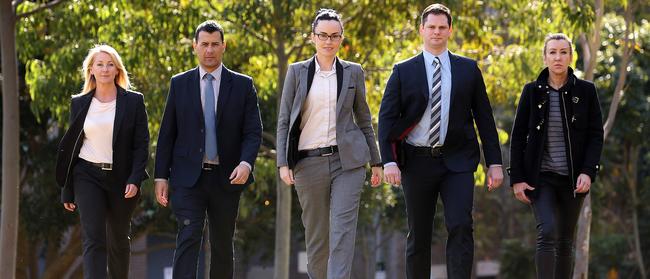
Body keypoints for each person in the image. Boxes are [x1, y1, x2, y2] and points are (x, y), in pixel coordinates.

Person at [377, 3, 504, 278]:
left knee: (460, 225)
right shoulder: (403, 70)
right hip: (416, 162)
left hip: (457, 162)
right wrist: (388, 160)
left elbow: (485, 119)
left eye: (442, 27)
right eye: (431, 27)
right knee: (419, 234)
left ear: (450, 31)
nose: (436, 32)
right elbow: (386, 120)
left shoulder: (468, 69)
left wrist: (494, 162)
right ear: (422, 30)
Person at [276, 8, 383, 279]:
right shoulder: (297, 72)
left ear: (341, 39)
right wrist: (282, 162)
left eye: (334, 36)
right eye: (322, 35)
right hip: (307, 163)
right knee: (318, 238)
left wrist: (376, 160)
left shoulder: (353, 72)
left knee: (342, 232)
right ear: (313, 37)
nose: (328, 41)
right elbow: (284, 120)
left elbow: (364, 118)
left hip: (347, 162)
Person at [154, 20, 262, 279]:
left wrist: (246, 163)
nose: (210, 50)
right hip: (188, 177)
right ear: (195, 46)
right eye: (204, 44)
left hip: (227, 177)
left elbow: (252, 131)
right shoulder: (179, 84)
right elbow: (167, 133)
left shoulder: (243, 85)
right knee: (189, 235)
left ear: (224, 46)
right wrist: (160, 176)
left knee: (222, 243)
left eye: (215, 44)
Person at [509, 33, 604, 279]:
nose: (558, 57)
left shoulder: (586, 91)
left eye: (563, 52)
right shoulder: (531, 92)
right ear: (545, 57)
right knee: (547, 231)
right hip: (541, 178)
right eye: (552, 52)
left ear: (571, 57)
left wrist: (587, 171)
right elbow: (518, 136)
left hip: (573, 179)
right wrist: (517, 178)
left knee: (565, 240)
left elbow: (596, 135)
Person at [55, 45, 149, 279]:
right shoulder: (79, 103)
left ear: (117, 69)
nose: (105, 69)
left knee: (118, 239)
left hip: (121, 178)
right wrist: (67, 190)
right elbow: (72, 148)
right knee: (94, 237)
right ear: (91, 69)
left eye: (110, 64)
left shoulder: (134, 102)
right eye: (100, 64)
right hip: (86, 175)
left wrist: (135, 179)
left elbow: (141, 145)